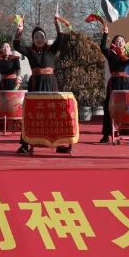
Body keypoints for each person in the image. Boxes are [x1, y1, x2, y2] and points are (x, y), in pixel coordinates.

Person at [12, 12, 77, 154]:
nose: (39, 39)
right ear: (33, 39)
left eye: (41, 36)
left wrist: (56, 22)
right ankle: (25, 144)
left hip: (50, 83)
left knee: (53, 112)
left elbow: (61, 37)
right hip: (35, 84)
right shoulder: (30, 51)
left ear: (45, 38)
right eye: (36, 37)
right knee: (32, 113)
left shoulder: (51, 49)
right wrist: (19, 31)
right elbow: (16, 46)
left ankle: (58, 143)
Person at [98, 18, 129, 143]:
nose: (120, 42)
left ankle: (127, 131)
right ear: (114, 43)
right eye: (118, 41)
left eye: (122, 41)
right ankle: (106, 135)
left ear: (125, 43)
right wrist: (105, 33)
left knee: (127, 107)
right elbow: (102, 47)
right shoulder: (111, 53)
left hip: (127, 83)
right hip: (114, 83)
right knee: (110, 107)